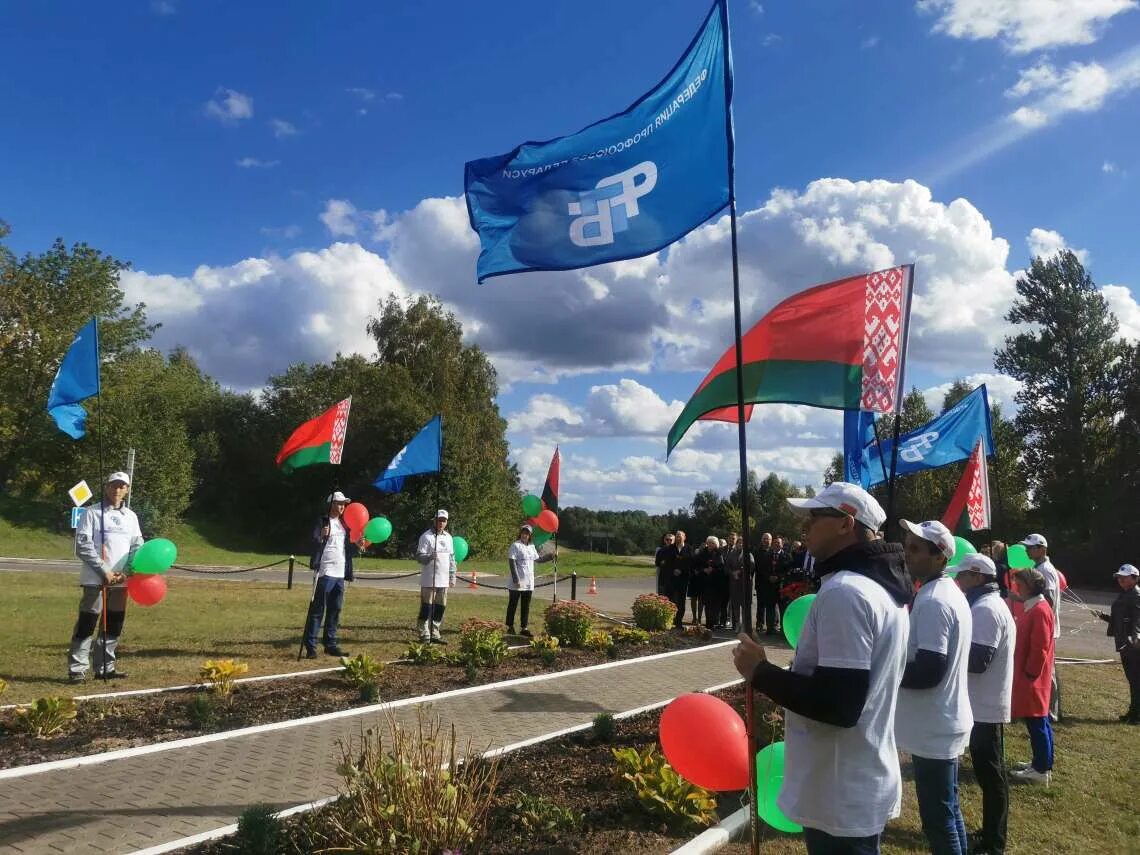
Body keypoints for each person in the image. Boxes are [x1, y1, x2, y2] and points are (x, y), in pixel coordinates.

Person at [733, 482, 911, 854]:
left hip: (840, 788)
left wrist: (761, 672)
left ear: (846, 523)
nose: (804, 527)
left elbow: (839, 705)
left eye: (814, 517)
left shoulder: (847, 593)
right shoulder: (875, 588)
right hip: (853, 778)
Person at [896, 519, 973, 855]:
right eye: (907, 545)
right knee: (948, 809)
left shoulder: (934, 601)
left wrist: (886, 671)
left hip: (935, 724)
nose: (906, 554)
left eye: (915, 548)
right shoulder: (943, 592)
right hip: (942, 720)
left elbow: (929, 671)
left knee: (938, 817)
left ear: (940, 557)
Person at [956, 553, 1016, 855]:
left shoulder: (985, 610)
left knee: (991, 776)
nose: (957, 581)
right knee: (990, 774)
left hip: (984, 704)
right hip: (984, 702)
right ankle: (991, 833)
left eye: (962, 575)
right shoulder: (988, 605)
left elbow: (979, 660)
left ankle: (994, 841)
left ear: (977, 577)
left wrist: (950, 652)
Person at [68, 472, 144, 682]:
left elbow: (137, 547)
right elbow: (82, 546)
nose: (117, 490)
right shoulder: (91, 513)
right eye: (113, 486)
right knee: (88, 622)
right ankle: (77, 669)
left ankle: (106, 667)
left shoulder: (131, 517)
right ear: (106, 487)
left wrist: (126, 572)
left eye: (122, 486)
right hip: (95, 579)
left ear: (127, 490)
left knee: (113, 623)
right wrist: (104, 570)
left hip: (121, 581)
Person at [304, 491, 366, 659]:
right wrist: (321, 536)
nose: (342, 507)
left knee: (335, 610)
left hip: (340, 574)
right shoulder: (322, 521)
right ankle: (311, 646)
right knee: (318, 610)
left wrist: (358, 546)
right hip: (325, 572)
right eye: (339, 503)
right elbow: (313, 540)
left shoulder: (344, 524)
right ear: (331, 504)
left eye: (344, 504)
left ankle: (330, 644)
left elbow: (346, 549)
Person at [1008, 567, 1056, 785]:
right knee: (1039, 721)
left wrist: (1030, 673)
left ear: (1028, 586)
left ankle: (1040, 769)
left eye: (1019, 583)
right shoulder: (1035, 606)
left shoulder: (1038, 610)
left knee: (1037, 722)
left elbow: (1040, 647)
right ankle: (1041, 763)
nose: (1016, 586)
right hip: (1032, 676)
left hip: (1033, 677)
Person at [1020, 533, 1061, 722]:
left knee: (1047, 670)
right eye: (1027, 547)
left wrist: (1040, 619)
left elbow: (1049, 598)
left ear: (1042, 549)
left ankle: (1050, 710)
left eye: (1031, 547)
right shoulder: (1038, 567)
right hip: (1042, 624)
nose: (1027, 550)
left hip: (1045, 626)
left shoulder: (1045, 569)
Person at [1095, 564, 1140, 724]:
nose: (1120, 579)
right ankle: (1133, 712)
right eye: (1119, 577)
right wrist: (1104, 616)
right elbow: (1121, 618)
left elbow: (1137, 619)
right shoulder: (1125, 593)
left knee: (1136, 680)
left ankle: (1136, 716)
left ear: (1134, 578)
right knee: (1133, 680)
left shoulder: (1136, 595)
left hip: (1132, 645)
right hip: (1123, 642)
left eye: (1124, 577)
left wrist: (1135, 637)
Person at [415, 509, 457, 644]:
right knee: (427, 607)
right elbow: (419, 556)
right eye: (439, 520)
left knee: (440, 608)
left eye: (444, 520)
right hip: (429, 579)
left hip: (443, 580)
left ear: (447, 522)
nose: (441, 523)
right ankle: (424, 633)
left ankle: (435, 632)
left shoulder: (449, 538)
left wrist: (452, 576)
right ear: (435, 520)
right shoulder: (426, 537)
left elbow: (452, 558)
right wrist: (429, 557)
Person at [506, 524, 553, 636]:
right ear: (520, 533)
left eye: (527, 533)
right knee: (513, 604)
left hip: (529, 583)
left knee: (526, 606)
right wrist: (516, 579)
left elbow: (538, 560)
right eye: (523, 532)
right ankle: (510, 626)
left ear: (530, 535)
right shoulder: (515, 545)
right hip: (517, 582)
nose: (524, 535)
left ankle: (524, 627)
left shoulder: (532, 546)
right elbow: (512, 562)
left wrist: (550, 556)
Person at [726, 533, 755, 633]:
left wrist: (740, 571)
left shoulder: (748, 554)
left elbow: (751, 566)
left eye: (742, 543)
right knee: (735, 604)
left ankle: (744, 625)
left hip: (745, 583)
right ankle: (737, 623)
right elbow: (727, 567)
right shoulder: (731, 554)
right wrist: (732, 573)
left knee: (745, 604)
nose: (740, 545)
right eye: (739, 543)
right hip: (734, 583)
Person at [753, 532, 780, 636]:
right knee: (760, 604)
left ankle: (774, 624)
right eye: (764, 539)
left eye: (767, 539)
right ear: (761, 540)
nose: (766, 541)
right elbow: (756, 567)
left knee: (773, 605)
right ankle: (759, 624)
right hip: (761, 582)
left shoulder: (774, 551)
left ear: (771, 540)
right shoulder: (756, 552)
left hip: (773, 584)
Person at [697, 535, 726, 630]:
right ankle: (708, 623)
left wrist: (713, 570)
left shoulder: (719, 554)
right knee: (707, 604)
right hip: (705, 583)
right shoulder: (702, 553)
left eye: (712, 543)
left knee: (715, 605)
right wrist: (704, 569)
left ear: (716, 544)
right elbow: (697, 565)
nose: (710, 544)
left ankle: (714, 622)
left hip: (716, 583)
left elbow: (721, 568)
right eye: (709, 542)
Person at [668, 530, 694, 628]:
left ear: (684, 537)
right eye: (677, 536)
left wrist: (682, 570)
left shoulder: (689, 548)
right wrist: (673, 570)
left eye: (680, 536)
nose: (678, 538)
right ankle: (671, 620)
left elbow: (691, 562)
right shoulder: (670, 548)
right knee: (672, 599)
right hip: (672, 578)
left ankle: (679, 621)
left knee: (681, 600)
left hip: (683, 578)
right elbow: (667, 562)